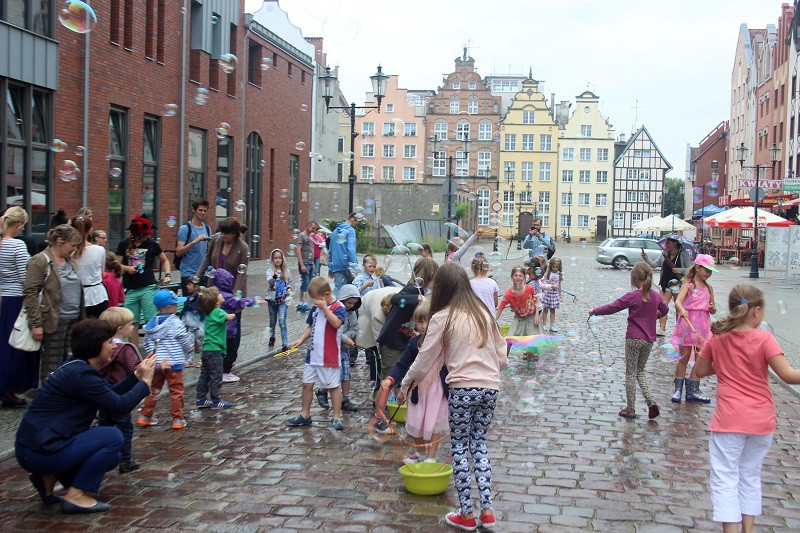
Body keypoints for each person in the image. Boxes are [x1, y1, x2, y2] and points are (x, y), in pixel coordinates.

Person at [400, 262, 507, 531]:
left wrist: (406, 384)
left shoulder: (442, 317)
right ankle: (488, 511)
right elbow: (502, 356)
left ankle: (467, 515)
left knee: (459, 448)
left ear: (443, 288)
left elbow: (424, 359)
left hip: (463, 389)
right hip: (490, 387)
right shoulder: (483, 313)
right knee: (479, 445)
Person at [15, 319, 156, 514]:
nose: (113, 346)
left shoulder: (76, 367)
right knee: (113, 437)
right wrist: (146, 383)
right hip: (41, 451)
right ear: (97, 345)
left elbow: (109, 394)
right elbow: (119, 406)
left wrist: (136, 375)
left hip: (34, 448)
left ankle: (46, 479)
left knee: (112, 455)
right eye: (109, 342)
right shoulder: (81, 375)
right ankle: (76, 496)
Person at [694, 285, 800, 532]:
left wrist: (719, 361)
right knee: (750, 477)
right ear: (756, 312)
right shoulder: (765, 339)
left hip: (729, 421)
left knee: (725, 479)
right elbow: (787, 375)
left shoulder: (717, 336)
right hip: (761, 421)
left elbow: (699, 371)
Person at [589, 263, 668, 419]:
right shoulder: (656, 296)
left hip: (633, 338)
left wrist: (594, 311)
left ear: (634, 279)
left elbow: (612, 307)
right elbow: (665, 310)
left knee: (631, 373)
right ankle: (650, 401)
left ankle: (630, 409)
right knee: (640, 371)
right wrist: (653, 317)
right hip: (648, 340)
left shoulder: (632, 296)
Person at [384, 301, 449, 464]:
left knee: (434, 422)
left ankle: (430, 457)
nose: (424, 326)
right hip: (418, 390)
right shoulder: (414, 344)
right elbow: (403, 364)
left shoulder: (443, 342)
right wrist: (391, 378)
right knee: (415, 421)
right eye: (420, 321)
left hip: (437, 390)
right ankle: (420, 452)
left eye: (428, 321)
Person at [24, 224, 86, 384]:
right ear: (59, 241)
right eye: (72, 245)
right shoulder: (40, 260)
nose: (73, 249)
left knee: (70, 360)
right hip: (54, 320)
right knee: (52, 363)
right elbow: (30, 293)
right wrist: (36, 324)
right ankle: (49, 398)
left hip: (74, 318)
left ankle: (64, 396)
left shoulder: (69, 260)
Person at [288, 276, 348, 430]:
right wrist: (301, 339)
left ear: (327, 294)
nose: (315, 302)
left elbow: (336, 324)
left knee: (333, 386)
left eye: (317, 299)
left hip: (329, 356)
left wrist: (325, 308)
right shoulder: (315, 308)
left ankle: (336, 417)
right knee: (307, 385)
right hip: (312, 355)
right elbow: (310, 326)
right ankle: (305, 414)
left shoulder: (338, 307)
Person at [197, 217, 249, 373]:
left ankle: (229, 359)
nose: (222, 235)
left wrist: (236, 293)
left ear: (234, 233)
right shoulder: (216, 240)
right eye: (221, 232)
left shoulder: (243, 248)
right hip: (214, 290)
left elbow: (242, 273)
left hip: (232, 291)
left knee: (233, 324)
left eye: (226, 233)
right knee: (214, 321)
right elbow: (208, 258)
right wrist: (198, 276)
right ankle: (215, 355)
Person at [97, 307, 145, 473]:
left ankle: (102, 458)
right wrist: (157, 367)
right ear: (120, 329)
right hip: (122, 395)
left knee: (104, 427)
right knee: (125, 429)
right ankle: (126, 461)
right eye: (130, 324)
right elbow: (137, 369)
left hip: (104, 394)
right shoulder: (125, 349)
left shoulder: (100, 347)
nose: (133, 327)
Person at [138, 289, 193, 430]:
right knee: (176, 391)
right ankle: (177, 419)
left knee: (153, 390)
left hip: (157, 364)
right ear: (168, 307)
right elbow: (183, 340)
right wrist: (190, 350)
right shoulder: (175, 323)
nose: (177, 306)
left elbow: (147, 343)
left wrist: (153, 358)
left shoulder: (151, 323)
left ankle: (145, 415)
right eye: (175, 304)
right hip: (174, 362)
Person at [115, 215, 172, 344]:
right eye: (145, 234)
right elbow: (116, 264)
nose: (147, 236)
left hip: (148, 287)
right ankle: (133, 352)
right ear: (137, 234)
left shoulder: (151, 243)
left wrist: (168, 275)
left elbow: (165, 260)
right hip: (130, 288)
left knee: (151, 321)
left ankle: (155, 351)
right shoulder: (124, 244)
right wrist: (127, 268)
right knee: (132, 324)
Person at [671, 254, 718, 404]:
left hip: (703, 326)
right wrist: (682, 310)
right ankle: (678, 389)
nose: (708, 274)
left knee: (700, 360)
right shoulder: (689, 285)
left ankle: (693, 390)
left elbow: (712, 309)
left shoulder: (709, 288)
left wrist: (712, 309)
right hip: (687, 324)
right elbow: (678, 301)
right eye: (706, 270)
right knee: (684, 357)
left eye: (710, 272)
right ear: (697, 267)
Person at [0, 207, 34, 407]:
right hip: (15, 299)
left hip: (3, 296)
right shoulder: (17, 246)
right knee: (15, 345)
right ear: (19, 224)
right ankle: (9, 387)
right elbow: (26, 278)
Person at [316, 284, 361, 412]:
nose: (351, 305)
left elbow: (355, 327)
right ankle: (322, 391)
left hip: (344, 350)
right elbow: (334, 329)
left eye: (354, 303)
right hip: (332, 349)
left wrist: (348, 337)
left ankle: (345, 399)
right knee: (331, 376)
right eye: (349, 302)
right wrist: (345, 338)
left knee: (346, 374)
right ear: (342, 299)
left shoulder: (352, 313)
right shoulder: (334, 311)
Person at [642, 236, 693, 336]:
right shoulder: (664, 254)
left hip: (679, 284)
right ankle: (661, 329)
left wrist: (679, 270)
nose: (666, 245)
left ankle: (679, 330)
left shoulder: (683, 255)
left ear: (675, 243)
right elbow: (654, 264)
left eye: (668, 243)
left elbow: (690, 269)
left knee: (678, 308)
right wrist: (646, 258)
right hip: (666, 284)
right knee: (662, 307)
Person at [212, 268, 256, 383]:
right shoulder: (226, 296)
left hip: (218, 332)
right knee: (231, 352)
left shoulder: (216, 294)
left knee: (220, 352)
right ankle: (225, 373)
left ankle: (217, 372)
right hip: (229, 331)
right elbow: (238, 303)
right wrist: (251, 301)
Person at [195, 286, 236, 409]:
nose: (221, 294)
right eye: (219, 294)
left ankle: (201, 399)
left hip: (207, 349)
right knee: (216, 375)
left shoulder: (209, 313)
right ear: (216, 301)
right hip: (215, 350)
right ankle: (216, 400)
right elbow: (229, 317)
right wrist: (235, 312)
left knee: (205, 374)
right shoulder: (218, 312)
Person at [358, 285, 401, 398]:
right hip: (366, 308)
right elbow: (379, 343)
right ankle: (376, 385)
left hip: (386, 297)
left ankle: (397, 385)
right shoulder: (378, 316)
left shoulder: (402, 305)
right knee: (374, 351)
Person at [71, 215, 109, 318]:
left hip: (75, 295)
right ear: (90, 230)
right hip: (97, 295)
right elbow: (102, 270)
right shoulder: (99, 250)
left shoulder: (69, 252)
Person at [175, 199, 211, 295]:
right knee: (190, 305)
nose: (203, 213)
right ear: (194, 210)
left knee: (203, 305)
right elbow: (178, 252)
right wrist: (195, 242)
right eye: (200, 210)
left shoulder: (207, 228)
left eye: (205, 210)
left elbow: (208, 252)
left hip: (203, 273)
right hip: (189, 273)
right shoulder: (185, 228)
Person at [497, 266, 539, 339]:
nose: (518, 277)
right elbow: (500, 308)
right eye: (515, 275)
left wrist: (537, 315)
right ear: (511, 277)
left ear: (524, 277)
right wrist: (493, 320)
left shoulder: (530, 288)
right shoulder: (508, 294)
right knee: (509, 339)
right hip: (519, 319)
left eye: (520, 275)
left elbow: (536, 301)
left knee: (532, 342)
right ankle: (506, 350)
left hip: (531, 318)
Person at [266, 249, 292, 353]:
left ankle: (285, 344)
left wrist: (289, 289)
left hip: (283, 301)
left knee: (282, 321)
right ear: (272, 259)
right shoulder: (270, 271)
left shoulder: (286, 271)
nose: (278, 260)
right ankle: (272, 337)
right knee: (272, 321)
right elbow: (270, 282)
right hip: (272, 301)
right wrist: (274, 276)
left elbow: (289, 282)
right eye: (276, 258)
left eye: (280, 258)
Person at [328, 213, 359, 297]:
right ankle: (351, 310)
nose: (357, 225)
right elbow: (351, 249)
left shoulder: (334, 232)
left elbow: (330, 250)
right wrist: (355, 266)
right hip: (348, 265)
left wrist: (330, 268)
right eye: (357, 223)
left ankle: (335, 308)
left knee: (338, 291)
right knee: (354, 291)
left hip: (336, 265)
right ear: (352, 219)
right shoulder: (350, 230)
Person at [181, 277, 204, 367]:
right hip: (190, 325)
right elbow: (185, 311)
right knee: (189, 342)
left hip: (199, 324)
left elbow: (203, 311)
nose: (187, 286)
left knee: (200, 343)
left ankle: (202, 359)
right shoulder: (188, 299)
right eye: (187, 284)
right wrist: (182, 320)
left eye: (189, 284)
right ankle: (190, 359)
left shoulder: (200, 298)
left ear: (196, 287)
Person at [296, 221, 317, 312]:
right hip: (305, 263)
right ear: (307, 226)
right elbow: (298, 250)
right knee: (305, 283)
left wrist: (314, 265)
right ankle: (303, 302)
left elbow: (311, 251)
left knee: (308, 283)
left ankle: (301, 302)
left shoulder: (310, 237)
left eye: (315, 228)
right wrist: (302, 264)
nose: (314, 230)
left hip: (310, 263)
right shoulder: (302, 236)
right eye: (312, 228)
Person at [540, 257, 563, 332]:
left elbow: (559, 284)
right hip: (547, 293)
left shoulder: (559, 274)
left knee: (553, 310)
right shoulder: (548, 274)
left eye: (557, 267)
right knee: (545, 309)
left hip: (554, 294)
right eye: (554, 267)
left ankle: (552, 325)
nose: (555, 268)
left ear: (559, 267)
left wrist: (560, 293)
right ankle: (544, 324)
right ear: (551, 266)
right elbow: (543, 282)